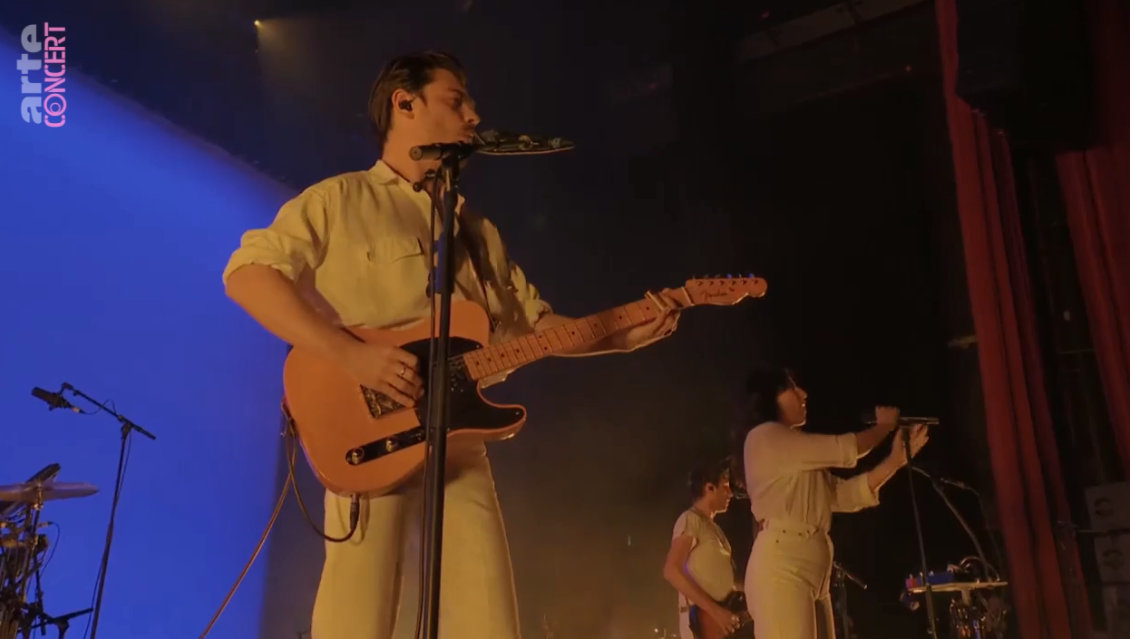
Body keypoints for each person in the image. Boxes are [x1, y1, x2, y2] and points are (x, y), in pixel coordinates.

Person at [221, 51, 681, 639]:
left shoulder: (475, 230)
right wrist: (351, 354)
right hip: (369, 429)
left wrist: (619, 338)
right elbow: (248, 275)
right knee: (360, 618)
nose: (474, 112)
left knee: (489, 621)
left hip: (459, 440)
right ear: (404, 103)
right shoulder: (340, 200)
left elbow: (530, 327)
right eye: (456, 99)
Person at [732, 366, 928, 639]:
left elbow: (844, 495)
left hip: (811, 570)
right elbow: (845, 448)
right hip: (782, 569)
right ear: (769, 398)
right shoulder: (763, 436)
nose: (803, 393)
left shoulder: (795, 451)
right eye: (791, 387)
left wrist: (895, 461)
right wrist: (883, 427)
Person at [663, 459, 750, 639]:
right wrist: (716, 612)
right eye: (725, 487)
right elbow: (671, 570)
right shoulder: (690, 519)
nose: (730, 494)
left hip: (720, 620)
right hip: (702, 622)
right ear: (709, 488)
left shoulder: (715, 529)